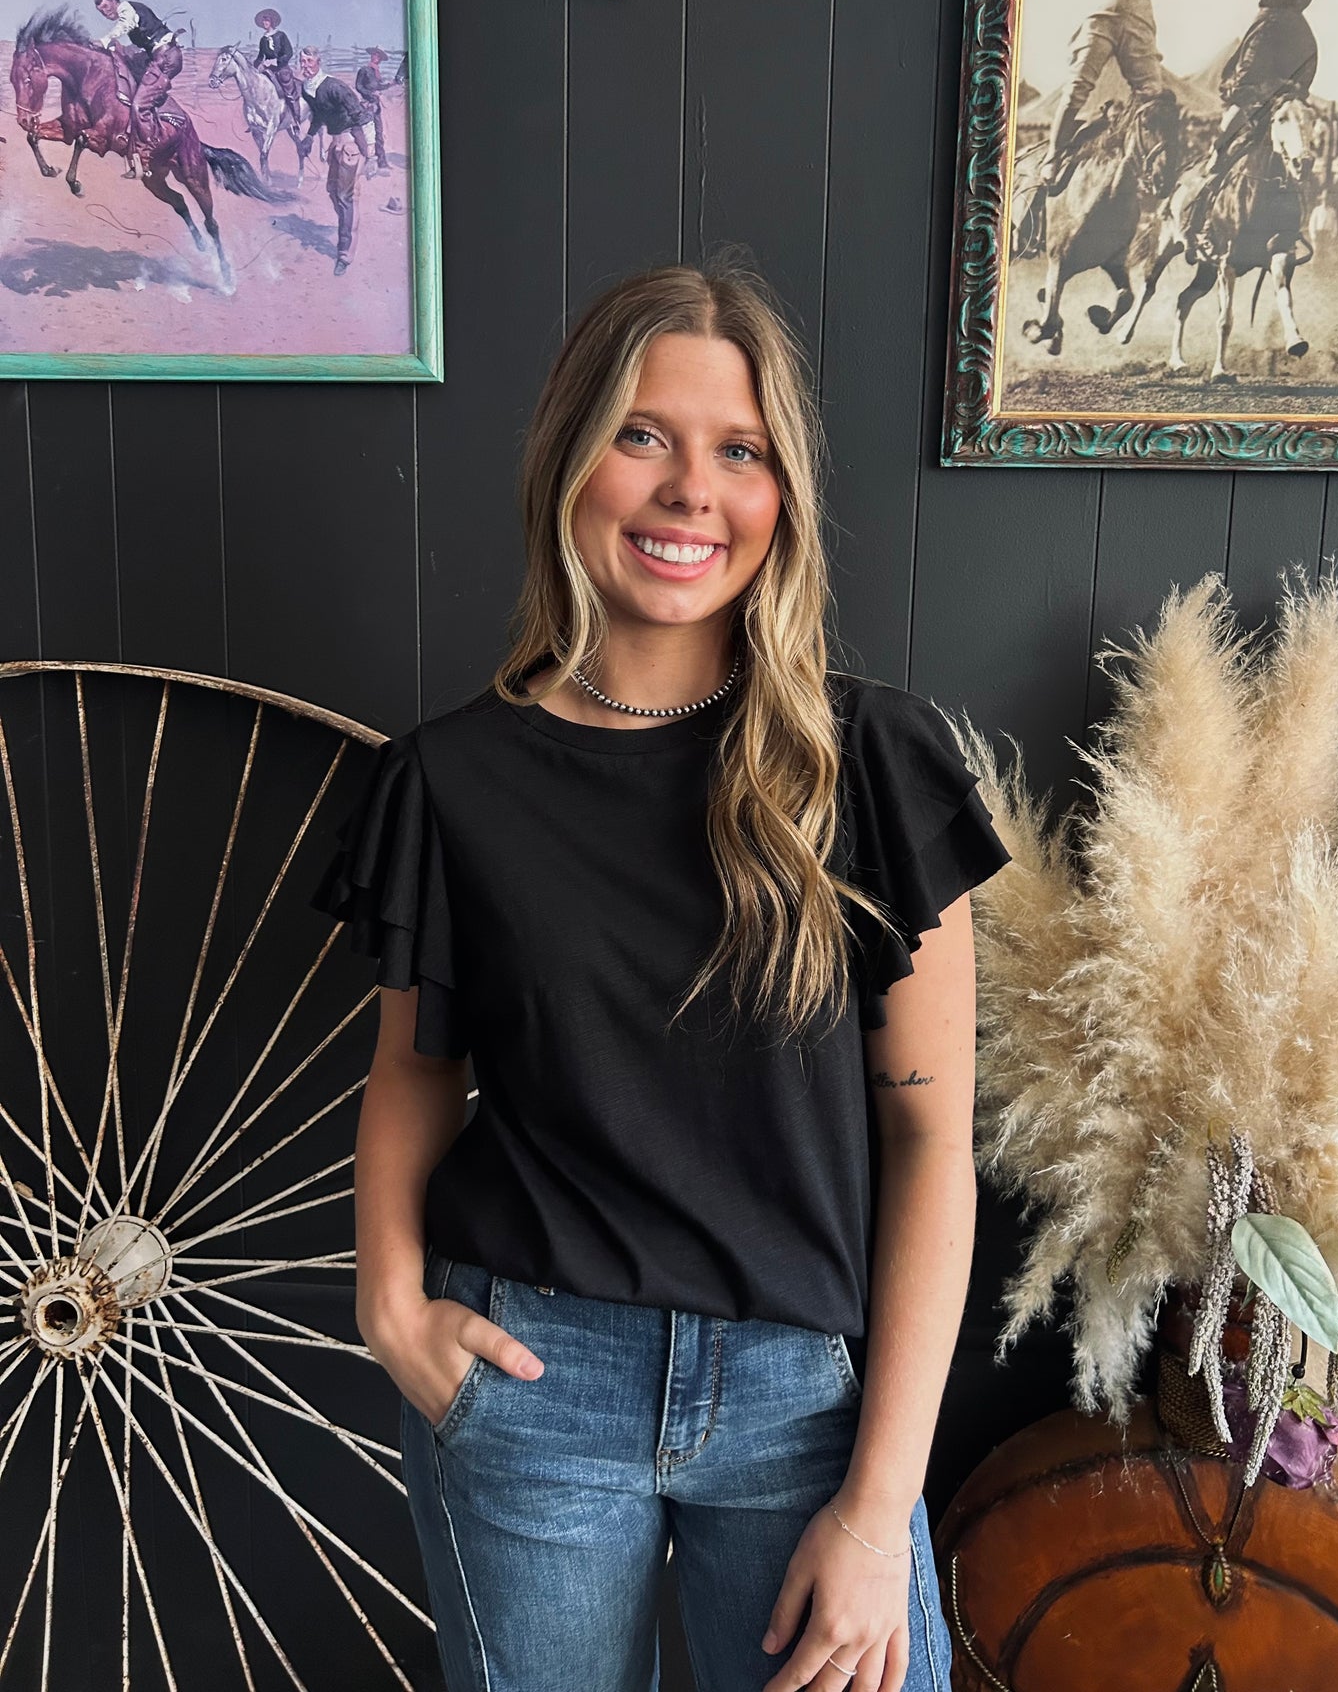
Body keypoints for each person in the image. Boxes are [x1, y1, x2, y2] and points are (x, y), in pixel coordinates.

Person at [309, 263, 1011, 1691]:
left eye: (739, 451)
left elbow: (932, 1139)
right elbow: (414, 1075)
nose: (693, 490)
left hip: (806, 1408)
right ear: (570, 460)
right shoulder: (452, 780)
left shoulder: (869, 764)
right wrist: (389, 1307)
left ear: (781, 495)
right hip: (529, 1385)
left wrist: (878, 1509)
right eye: (643, 436)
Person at [1186, 0, 1338, 254]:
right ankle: (1216, 156)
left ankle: (1291, 196)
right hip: (1264, 36)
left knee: (1295, 107)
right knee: (1243, 100)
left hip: (1296, 41)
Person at [1040, 0, 1218, 190]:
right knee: (1077, 87)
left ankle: (1148, 161)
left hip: (1139, 21)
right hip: (1102, 17)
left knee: (1153, 94)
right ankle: (1053, 156)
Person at [297, 47, 373, 275]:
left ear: (318, 62)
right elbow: (319, 115)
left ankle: (345, 254)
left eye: (309, 61)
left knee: (346, 198)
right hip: (336, 145)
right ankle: (348, 225)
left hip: (351, 144)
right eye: (302, 61)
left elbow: (360, 115)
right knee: (333, 191)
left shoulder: (334, 86)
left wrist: (369, 151)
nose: (305, 65)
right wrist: (309, 137)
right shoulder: (307, 88)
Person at [93, 0, 182, 159]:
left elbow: (125, 25)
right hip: (161, 56)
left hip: (165, 57)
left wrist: (104, 41)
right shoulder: (131, 12)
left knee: (139, 104)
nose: (105, 13)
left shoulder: (127, 9)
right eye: (101, 12)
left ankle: (147, 149)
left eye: (106, 7)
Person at [253, 8, 305, 130]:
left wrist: (274, 61)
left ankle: (295, 118)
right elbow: (260, 56)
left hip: (282, 69)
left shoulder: (281, 36)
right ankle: (257, 119)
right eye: (263, 21)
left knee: (288, 93)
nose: (265, 23)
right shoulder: (263, 39)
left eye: (267, 20)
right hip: (268, 70)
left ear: (272, 22)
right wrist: (256, 66)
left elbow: (288, 53)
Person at [355, 46, 391, 172]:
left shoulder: (376, 73)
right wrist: (371, 94)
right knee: (367, 135)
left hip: (376, 107)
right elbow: (359, 86)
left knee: (379, 134)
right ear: (372, 55)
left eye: (379, 56)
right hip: (366, 106)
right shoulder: (364, 70)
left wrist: (389, 85)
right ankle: (365, 163)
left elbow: (378, 86)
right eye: (375, 54)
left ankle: (382, 163)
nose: (376, 57)